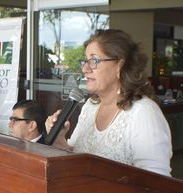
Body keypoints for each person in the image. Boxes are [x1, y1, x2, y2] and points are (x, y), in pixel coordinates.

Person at [46, 29, 172, 176]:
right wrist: (59, 138)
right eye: (85, 61)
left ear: (120, 65)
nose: (85, 69)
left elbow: (158, 184)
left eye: (94, 61)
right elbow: (75, 157)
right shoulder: (90, 107)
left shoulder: (143, 113)